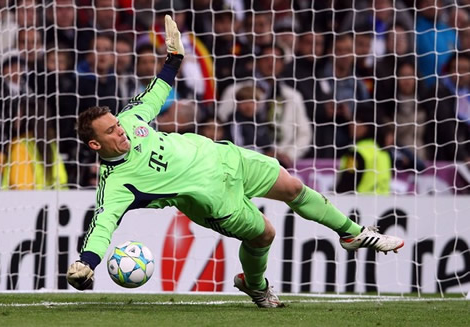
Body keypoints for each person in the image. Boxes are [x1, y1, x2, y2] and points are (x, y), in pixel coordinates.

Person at [67, 15, 404, 308]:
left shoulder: (130, 119)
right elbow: (103, 224)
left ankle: (353, 235)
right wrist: (87, 262)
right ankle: (256, 285)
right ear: (96, 143)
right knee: (265, 234)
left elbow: (157, 92)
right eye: (112, 131)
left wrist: (174, 57)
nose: (121, 131)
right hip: (214, 200)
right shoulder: (116, 183)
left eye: (117, 124)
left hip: (225, 156)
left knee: (293, 186)